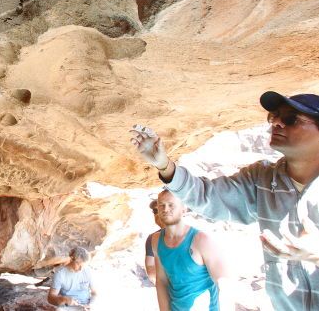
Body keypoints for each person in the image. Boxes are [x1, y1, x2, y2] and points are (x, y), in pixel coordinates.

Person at [131, 91, 319, 311]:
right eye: (273, 117)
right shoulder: (262, 179)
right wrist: (166, 167)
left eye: (290, 119)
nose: (276, 122)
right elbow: (208, 196)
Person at [151, 190, 232, 311]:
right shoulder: (156, 240)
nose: (165, 209)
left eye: (171, 204)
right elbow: (162, 281)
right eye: (161, 205)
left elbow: (225, 284)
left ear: (184, 209)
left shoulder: (201, 240)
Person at [145, 199, 163, 285]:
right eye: (155, 211)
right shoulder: (152, 238)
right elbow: (150, 266)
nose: (158, 214)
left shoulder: (190, 235)